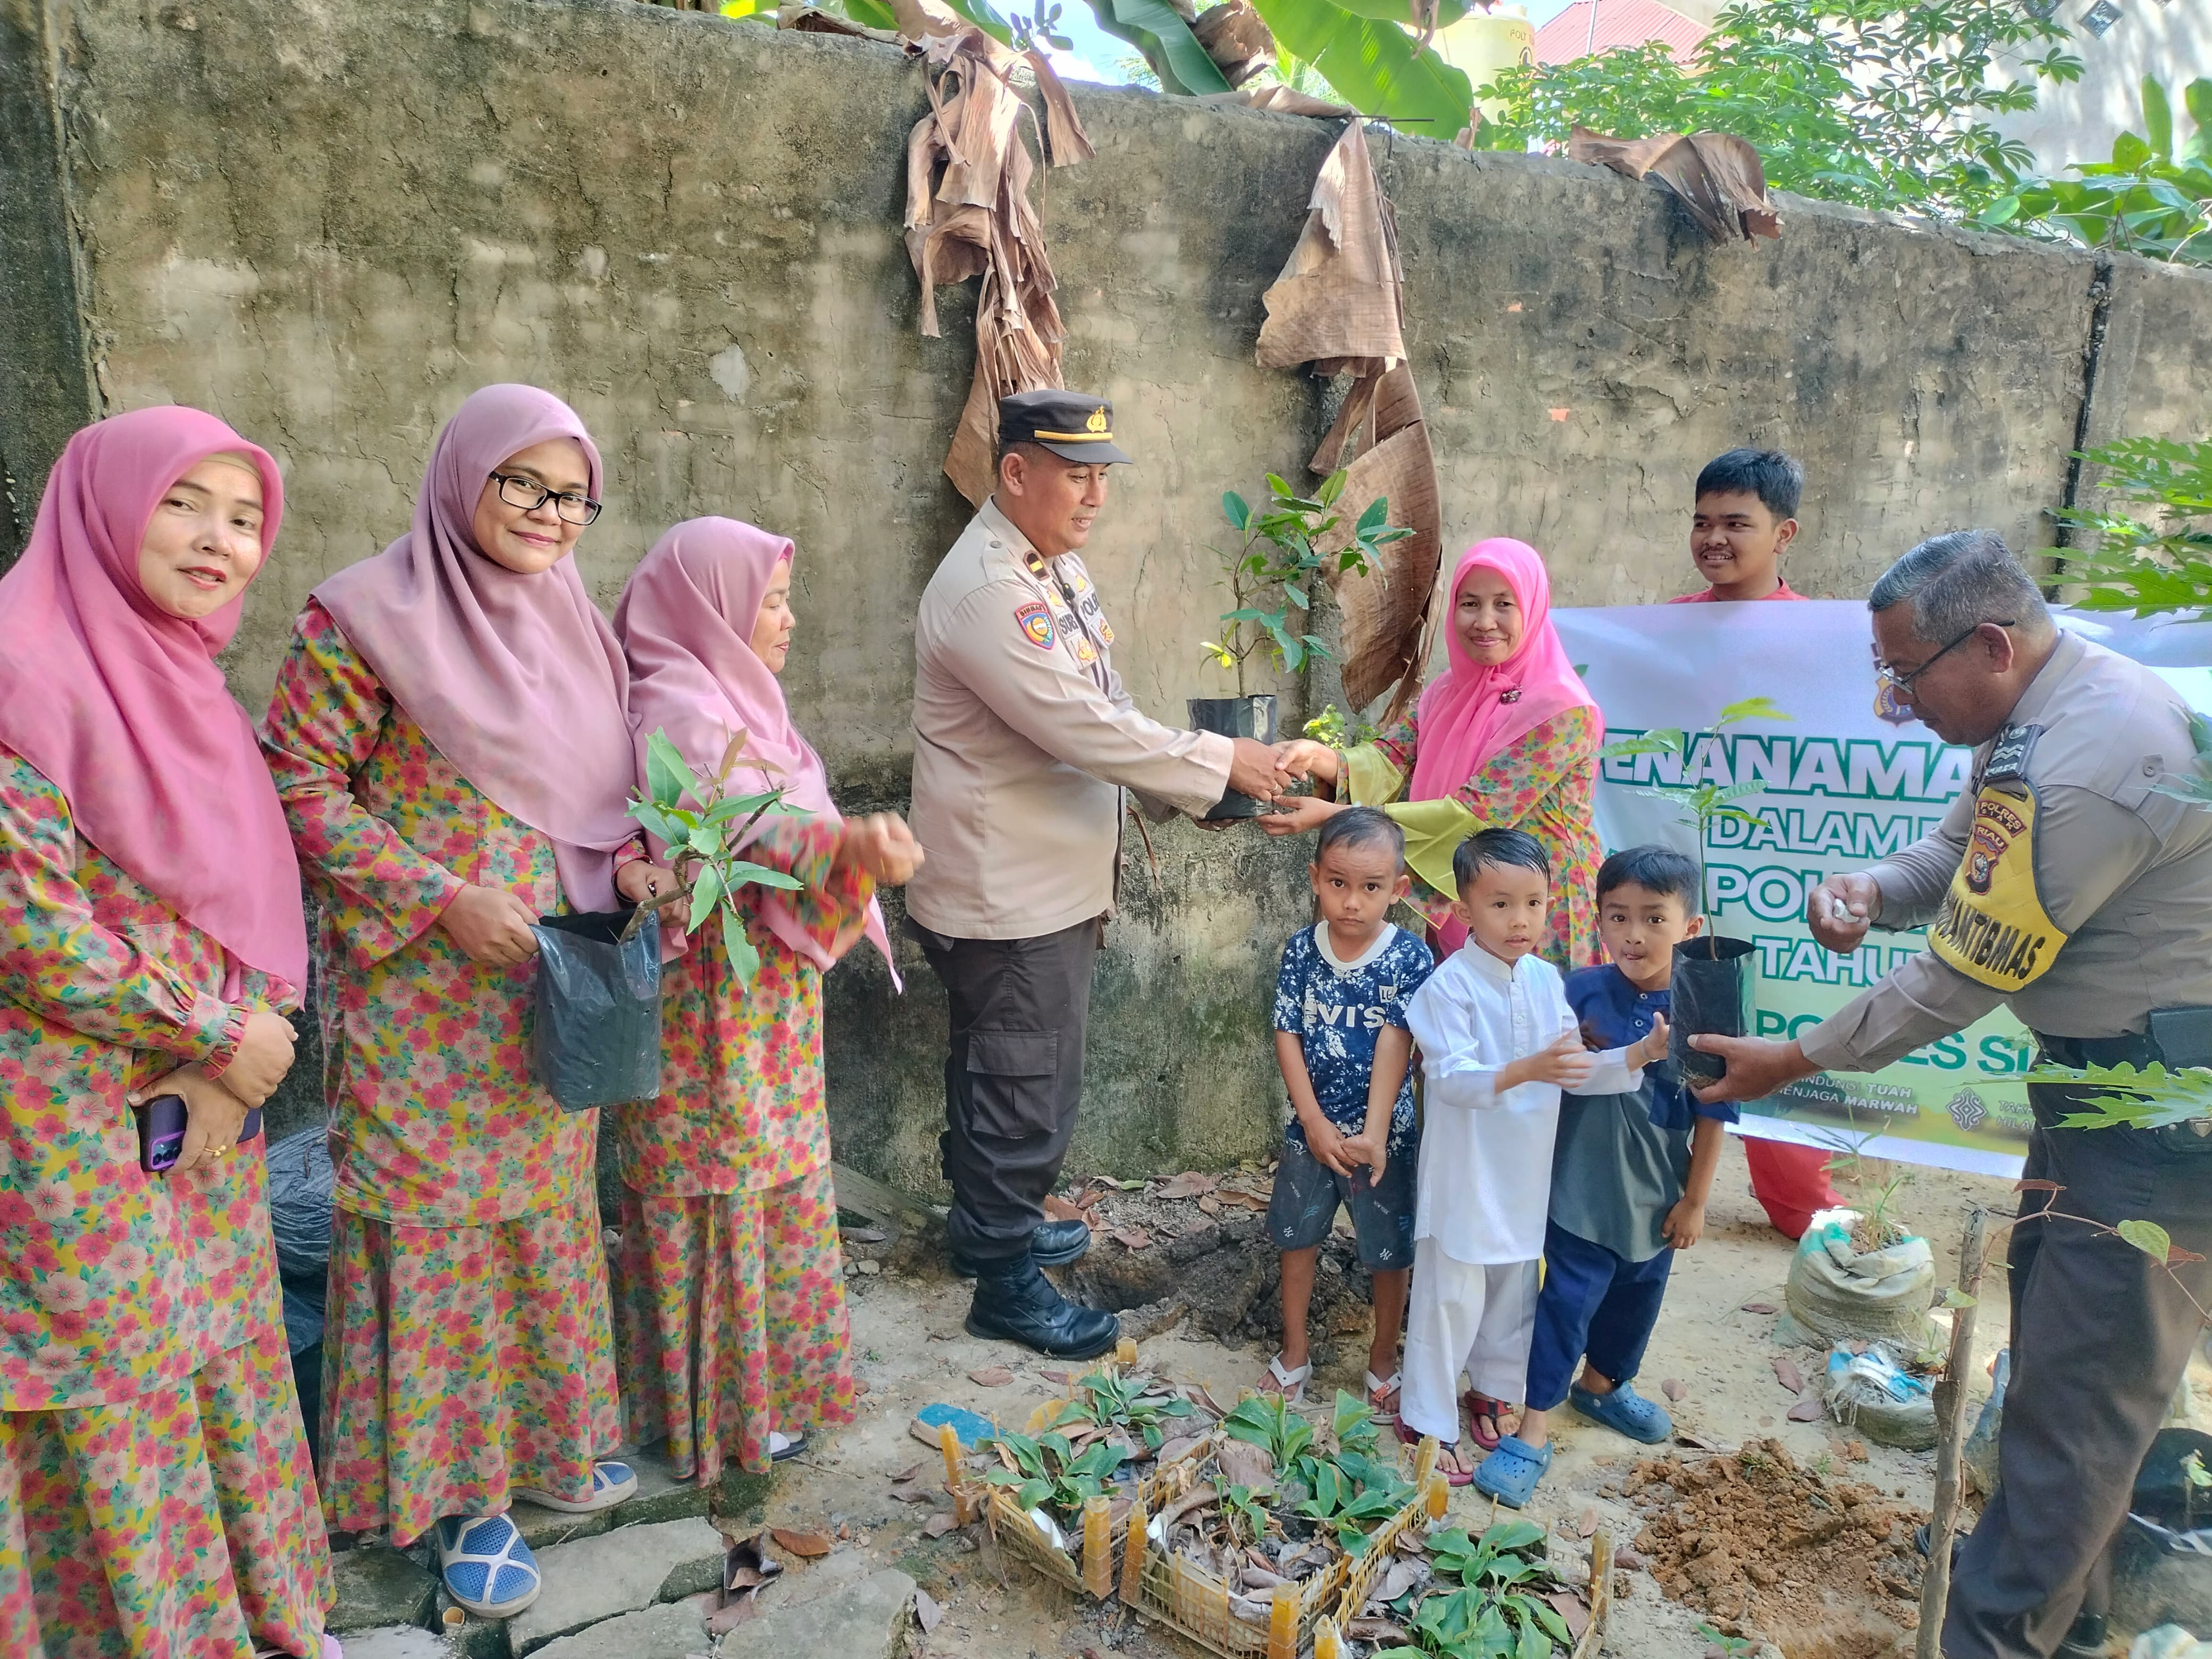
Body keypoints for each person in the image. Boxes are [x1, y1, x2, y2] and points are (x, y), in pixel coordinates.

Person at [1690, 531, 2212, 1659]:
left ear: (1988, 644)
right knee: (2072, 1395)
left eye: (1905, 674)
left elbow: (1964, 972)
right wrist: (1869, 887)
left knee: (2071, 1427)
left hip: (2160, 1124)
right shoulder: (2039, 721)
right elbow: (1957, 854)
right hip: (2104, 1100)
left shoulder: (2093, 756)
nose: (1892, 700)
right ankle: (2066, 1631)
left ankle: (1999, 1638)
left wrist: (1791, 1061)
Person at [260, 386, 676, 1620]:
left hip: (551, 987)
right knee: (439, 1239)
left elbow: (609, 784)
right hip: (422, 998)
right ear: (463, 478)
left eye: (571, 493)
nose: (550, 514)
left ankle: (548, 1439)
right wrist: (438, 896)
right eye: (524, 484)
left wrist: (638, 858)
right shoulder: (364, 618)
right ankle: (457, 1497)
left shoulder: (573, 623)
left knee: (544, 1212)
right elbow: (299, 780)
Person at [0, 407, 335, 1657]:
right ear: (105, 503)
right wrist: (211, 1027)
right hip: (70, 1123)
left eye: (245, 515)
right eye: (183, 501)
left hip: (196, 1111)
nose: (219, 537)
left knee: (216, 1353)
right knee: (113, 1382)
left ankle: (243, 1619)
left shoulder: (175, 670)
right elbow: (26, 923)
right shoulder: (25, 664)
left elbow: (236, 895)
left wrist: (238, 1060)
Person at [906, 390, 1289, 1359]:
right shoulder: (991, 590)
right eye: (1074, 473)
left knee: (1001, 1069)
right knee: (1024, 1081)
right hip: (1010, 891)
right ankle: (1003, 1280)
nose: (1094, 495)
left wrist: (1168, 785)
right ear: (1015, 473)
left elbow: (1099, 707)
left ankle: (989, 1226)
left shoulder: (1047, 568)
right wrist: (1214, 765)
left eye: (1102, 475)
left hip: (1038, 878)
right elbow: (1079, 726)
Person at [610, 518, 922, 1484]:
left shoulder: (743, 703)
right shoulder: (681, 709)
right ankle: (722, 1414)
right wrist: (847, 852)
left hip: (761, 1001)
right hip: (710, 1006)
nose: (788, 621)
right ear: (711, 608)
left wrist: (844, 852)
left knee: (770, 1176)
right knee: (718, 1186)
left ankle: (763, 1392)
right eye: (771, 601)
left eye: (787, 599)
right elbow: (743, 835)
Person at [1400, 829, 1667, 1489]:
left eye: (1532, 904)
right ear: (1462, 912)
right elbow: (1452, 1079)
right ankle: (1426, 1420)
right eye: (1499, 905)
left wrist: (1635, 1057)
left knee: (1513, 1292)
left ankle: (1490, 1391)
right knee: (1449, 1295)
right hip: (1466, 1170)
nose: (1518, 921)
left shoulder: (1547, 981)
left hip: (1524, 1170)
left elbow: (1571, 1071)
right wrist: (1529, 1067)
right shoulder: (1448, 987)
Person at [1485, 846, 1733, 1507]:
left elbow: (1715, 1115)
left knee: (1634, 1305)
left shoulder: (1705, 1008)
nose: (1633, 934)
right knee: (1564, 1305)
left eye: (1654, 919)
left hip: (1656, 1200)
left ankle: (1601, 1388)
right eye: (1617, 917)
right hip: (1577, 1192)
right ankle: (1531, 1429)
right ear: (1596, 922)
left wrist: (1695, 1201)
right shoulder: (1574, 992)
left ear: (1690, 928)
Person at [1271, 539, 1603, 969]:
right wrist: (1318, 757)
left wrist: (1334, 816)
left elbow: (1474, 815)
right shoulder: (1449, 691)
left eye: (1505, 604)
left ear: (1533, 608)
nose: (1485, 622)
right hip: (1467, 897)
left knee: (1543, 1031)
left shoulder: (1563, 710)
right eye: (1470, 603)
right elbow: (1392, 754)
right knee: (1459, 1028)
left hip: (1541, 911)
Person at [1667, 447, 1839, 1235]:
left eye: (1738, 523)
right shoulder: (1662, 631)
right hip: (1686, 854)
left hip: (1781, 859)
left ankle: (1797, 1200)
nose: (1715, 539)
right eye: (1703, 522)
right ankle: (1668, 1184)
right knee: (1674, 1018)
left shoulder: (1826, 639)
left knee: (1777, 1020)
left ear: (1785, 532)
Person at [1261, 807, 1434, 1411]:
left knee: (1389, 1251)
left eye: (1370, 887)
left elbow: (1400, 1041)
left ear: (1398, 889)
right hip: (1310, 1133)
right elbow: (1287, 1034)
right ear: (1314, 879)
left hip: (1384, 1142)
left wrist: (1376, 1134)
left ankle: (1383, 1358)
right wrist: (1310, 1121)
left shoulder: (1409, 958)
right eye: (1337, 883)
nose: (1352, 902)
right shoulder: (1300, 954)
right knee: (1296, 1239)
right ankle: (1293, 1352)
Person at [1671, 447, 1804, 604]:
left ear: (1783, 535)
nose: (1714, 539)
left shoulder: (1807, 624)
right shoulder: (1674, 617)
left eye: (1735, 524)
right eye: (1702, 524)